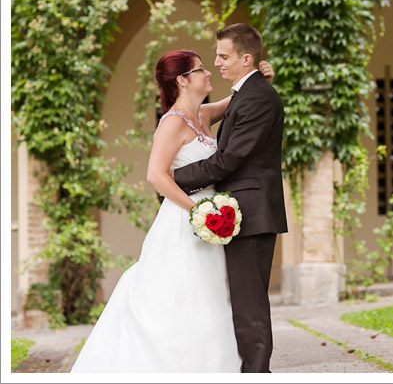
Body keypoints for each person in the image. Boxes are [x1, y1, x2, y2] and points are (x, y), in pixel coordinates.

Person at [70, 49, 275, 372]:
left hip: (213, 218)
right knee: (181, 295)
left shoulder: (203, 115)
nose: (209, 73)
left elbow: (239, 99)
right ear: (182, 80)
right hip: (186, 218)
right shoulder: (172, 123)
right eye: (201, 69)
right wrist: (197, 211)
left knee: (213, 296)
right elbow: (156, 175)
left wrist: (259, 76)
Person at [172, 23, 288, 373]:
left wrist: (174, 179)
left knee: (249, 304)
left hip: (252, 212)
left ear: (246, 58)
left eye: (224, 56)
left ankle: (256, 373)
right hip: (243, 211)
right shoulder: (247, 93)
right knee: (241, 301)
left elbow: (231, 158)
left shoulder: (258, 98)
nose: (217, 63)